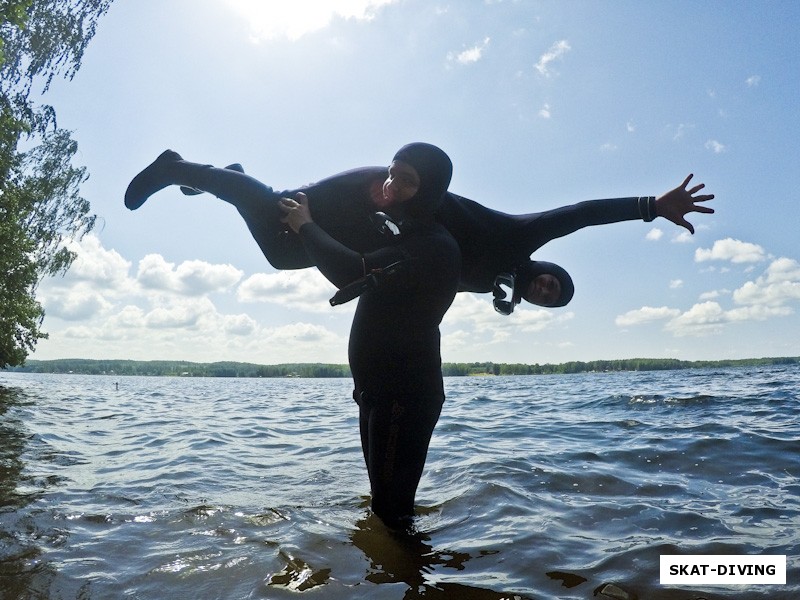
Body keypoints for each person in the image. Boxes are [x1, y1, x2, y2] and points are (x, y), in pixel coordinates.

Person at [125, 143, 461, 529]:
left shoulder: (431, 245)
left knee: (393, 515)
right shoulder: (397, 231)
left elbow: (352, 273)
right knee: (383, 508)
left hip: (404, 397)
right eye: (391, 172)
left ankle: (405, 580)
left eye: (407, 180)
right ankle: (384, 578)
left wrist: (306, 225)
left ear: (431, 190)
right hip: (377, 390)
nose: (390, 185)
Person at [132, 161, 713, 314]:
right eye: (550, 282)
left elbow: (417, 277)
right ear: (549, 269)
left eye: (546, 298)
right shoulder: (519, 238)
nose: (542, 288)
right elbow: (581, 212)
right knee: (281, 210)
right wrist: (650, 207)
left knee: (284, 254)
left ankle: (229, 180)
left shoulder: (487, 283)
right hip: (383, 192)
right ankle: (180, 168)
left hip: (378, 228)